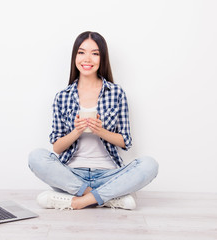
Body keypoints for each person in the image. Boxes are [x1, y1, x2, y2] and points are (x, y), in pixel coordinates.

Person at [28, 31, 158, 210]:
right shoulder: (62, 97)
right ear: (75, 57)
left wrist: (101, 131)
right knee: (36, 157)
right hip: (72, 176)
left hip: (109, 175)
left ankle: (80, 201)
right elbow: (57, 147)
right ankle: (106, 197)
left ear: (102, 58)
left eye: (95, 53)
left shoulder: (116, 93)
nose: (87, 59)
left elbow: (125, 142)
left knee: (149, 165)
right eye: (81, 52)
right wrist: (76, 132)